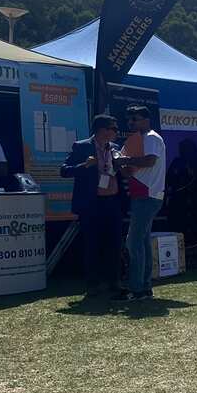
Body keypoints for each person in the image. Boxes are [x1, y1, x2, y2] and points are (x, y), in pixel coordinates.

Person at [60, 113, 126, 296]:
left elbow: (120, 173)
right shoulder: (81, 147)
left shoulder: (115, 148)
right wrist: (84, 165)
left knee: (114, 244)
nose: (116, 132)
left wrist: (122, 166)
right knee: (92, 244)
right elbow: (64, 171)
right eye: (113, 128)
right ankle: (92, 284)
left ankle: (115, 281)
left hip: (113, 201)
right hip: (92, 203)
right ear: (102, 130)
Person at [117, 106, 166, 301]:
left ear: (146, 119)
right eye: (129, 120)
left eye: (135, 119)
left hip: (148, 195)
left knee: (134, 242)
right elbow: (131, 171)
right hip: (143, 194)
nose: (131, 123)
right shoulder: (140, 139)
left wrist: (124, 160)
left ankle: (136, 288)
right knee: (142, 242)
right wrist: (121, 164)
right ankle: (144, 288)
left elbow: (150, 161)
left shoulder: (151, 137)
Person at [165, 139, 197, 266]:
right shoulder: (178, 163)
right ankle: (183, 258)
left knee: (195, 231)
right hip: (182, 204)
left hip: (194, 204)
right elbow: (169, 180)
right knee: (182, 230)